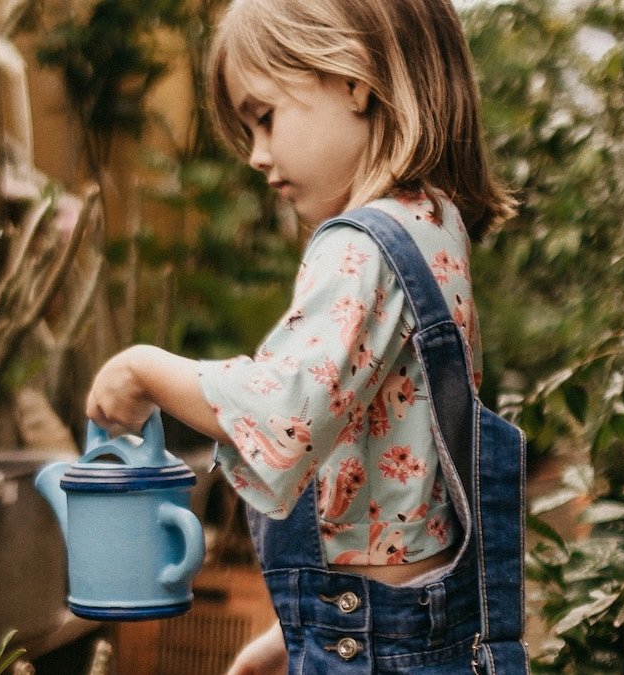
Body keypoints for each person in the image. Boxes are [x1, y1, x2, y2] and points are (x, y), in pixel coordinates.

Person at [85, 0, 528, 672]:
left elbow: (284, 414)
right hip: (429, 637)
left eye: (264, 117)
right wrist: (296, 635)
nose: (258, 156)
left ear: (354, 78)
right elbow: (400, 489)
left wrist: (141, 369)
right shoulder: (433, 224)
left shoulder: (359, 245)